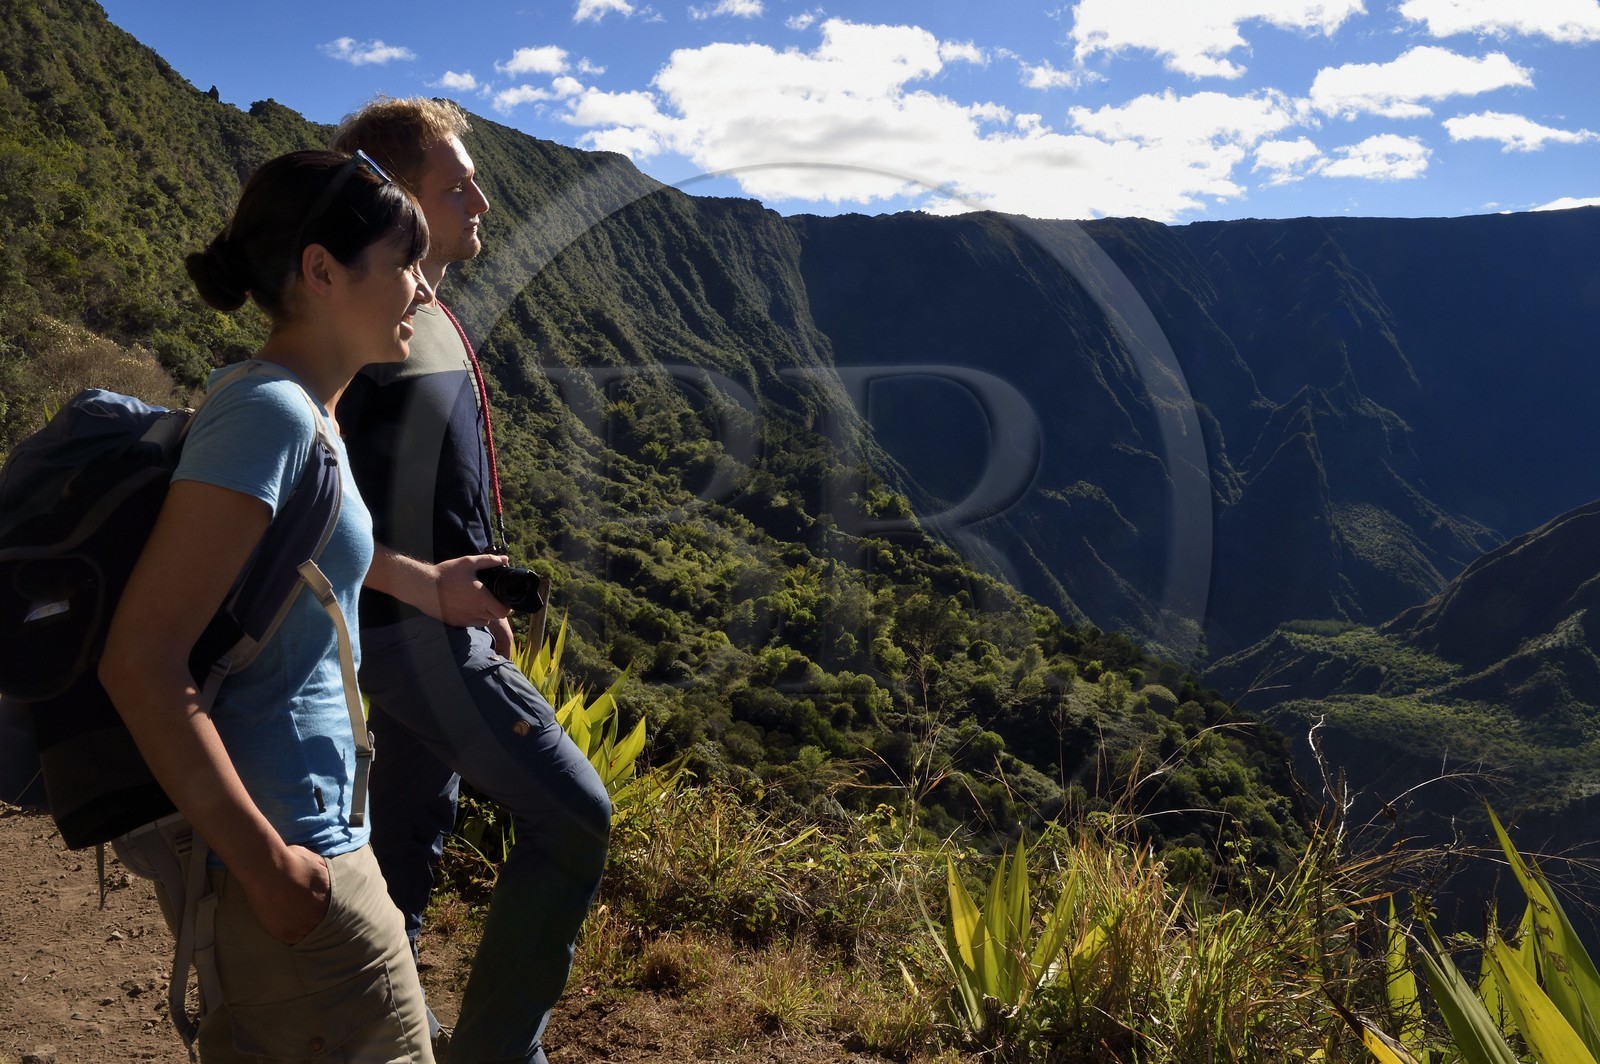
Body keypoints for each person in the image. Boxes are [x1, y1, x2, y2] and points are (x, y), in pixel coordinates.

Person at [99, 149, 437, 1063]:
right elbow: (141, 659)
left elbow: (299, 577)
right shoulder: (271, 415)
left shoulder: (309, 416)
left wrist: (431, 583)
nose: (423, 291)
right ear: (322, 271)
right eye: (405, 265)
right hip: (289, 858)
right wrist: (270, 869)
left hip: (311, 845)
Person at [331, 98, 612, 1064]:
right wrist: (430, 590)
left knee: (404, 855)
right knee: (573, 815)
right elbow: (299, 502)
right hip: (408, 639)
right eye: (456, 187)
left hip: (425, 634)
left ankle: (391, 1040)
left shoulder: (422, 315)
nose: (482, 200)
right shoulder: (366, 323)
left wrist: (475, 597)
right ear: (395, 199)